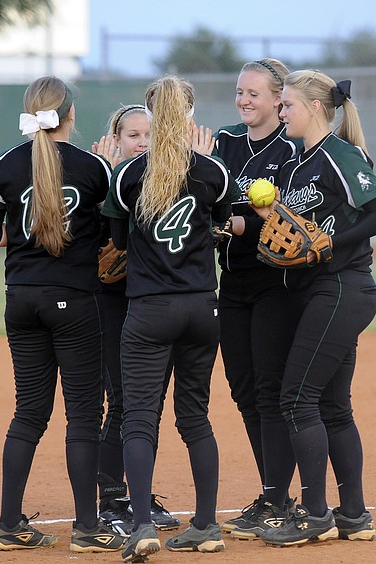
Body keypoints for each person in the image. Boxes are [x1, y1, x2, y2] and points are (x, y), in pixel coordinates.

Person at [0, 76, 124, 553]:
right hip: (75, 300)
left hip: (20, 299)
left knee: (28, 413)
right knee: (82, 417)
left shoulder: (6, 164)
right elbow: (116, 235)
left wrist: (28, 236)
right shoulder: (93, 166)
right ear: (71, 115)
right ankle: (86, 527)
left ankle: (8, 525)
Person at [253, 69, 376, 547]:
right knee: (333, 405)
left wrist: (331, 242)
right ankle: (353, 515)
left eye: (288, 105)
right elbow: (299, 231)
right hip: (322, 291)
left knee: (296, 399)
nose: (282, 112)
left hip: (342, 288)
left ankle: (315, 515)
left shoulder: (340, 154)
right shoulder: (299, 164)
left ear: (314, 107)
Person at [101, 75, 240, 562]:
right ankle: (206, 525)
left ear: (152, 114)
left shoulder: (128, 174)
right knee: (196, 417)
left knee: (139, 419)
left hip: (150, 310)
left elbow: (117, 241)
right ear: (190, 113)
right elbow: (223, 224)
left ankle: (140, 525)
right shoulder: (213, 171)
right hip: (204, 308)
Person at [205, 58, 303, 539]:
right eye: (240, 92)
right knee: (243, 390)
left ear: (277, 100)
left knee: (269, 391)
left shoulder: (291, 150)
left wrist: (227, 223)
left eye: (254, 93)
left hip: (275, 285)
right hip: (233, 284)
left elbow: (271, 219)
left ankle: (278, 498)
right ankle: (275, 492)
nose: (244, 100)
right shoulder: (222, 144)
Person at [90, 104, 180, 535]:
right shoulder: (103, 180)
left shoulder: (165, 181)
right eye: (133, 134)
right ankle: (110, 497)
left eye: (148, 134)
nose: (142, 142)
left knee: (148, 404)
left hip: (153, 304)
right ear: (116, 138)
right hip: (112, 302)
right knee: (124, 400)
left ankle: (137, 495)